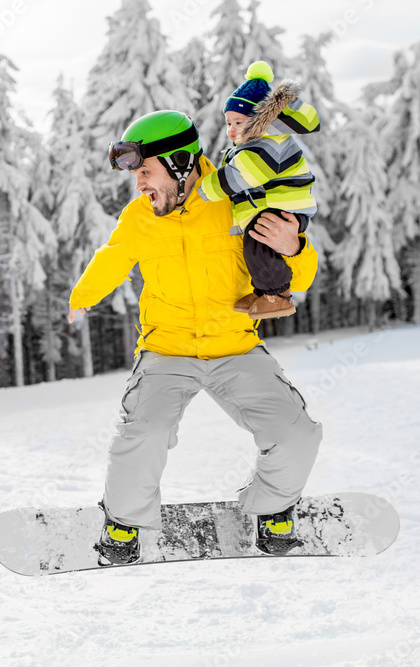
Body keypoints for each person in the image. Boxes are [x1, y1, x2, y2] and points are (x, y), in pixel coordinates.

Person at [67, 110, 323, 564]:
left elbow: (295, 276)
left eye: (146, 172)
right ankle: (124, 521)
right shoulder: (140, 217)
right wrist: (82, 296)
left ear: (181, 163)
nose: (140, 184)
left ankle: (271, 508)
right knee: (143, 431)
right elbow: (113, 257)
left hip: (237, 348)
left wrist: (294, 247)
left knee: (297, 434)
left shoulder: (238, 201)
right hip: (167, 351)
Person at [199, 61, 321, 319]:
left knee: (258, 243)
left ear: (259, 120)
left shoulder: (268, 144)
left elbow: (240, 176)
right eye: (228, 122)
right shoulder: (257, 143)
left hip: (284, 207)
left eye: (239, 122)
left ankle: (277, 296)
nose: (231, 130)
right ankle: (263, 291)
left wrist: (206, 189)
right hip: (275, 205)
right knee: (256, 246)